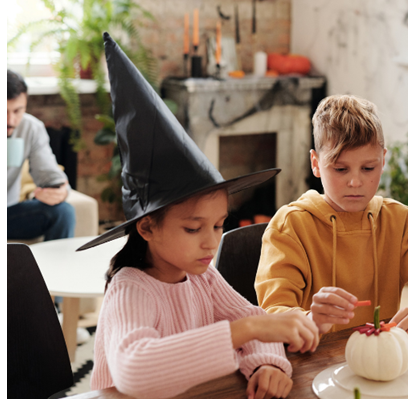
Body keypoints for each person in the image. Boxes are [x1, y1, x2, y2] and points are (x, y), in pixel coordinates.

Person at [87, 33, 320, 399]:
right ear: (147, 226)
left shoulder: (203, 279)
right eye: (193, 228)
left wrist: (266, 364)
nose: (212, 241)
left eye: (218, 224)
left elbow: (255, 319)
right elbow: (135, 372)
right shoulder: (131, 289)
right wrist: (243, 333)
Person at [255, 94, 408, 345]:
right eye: (340, 169)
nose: (355, 182)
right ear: (316, 163)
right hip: (312, 364)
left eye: (368, 168)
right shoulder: (291, 226)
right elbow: (273, 312)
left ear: (383, 160)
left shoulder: (400, 221)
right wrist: (312, 320)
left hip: (381, 357)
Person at [7, 69, 75, 241]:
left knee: (63, 212)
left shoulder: (31, 128)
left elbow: (50, 176)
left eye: (17, 111)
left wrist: (60, 191)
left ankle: (56, 269)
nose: (10, 121)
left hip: (7, 215)